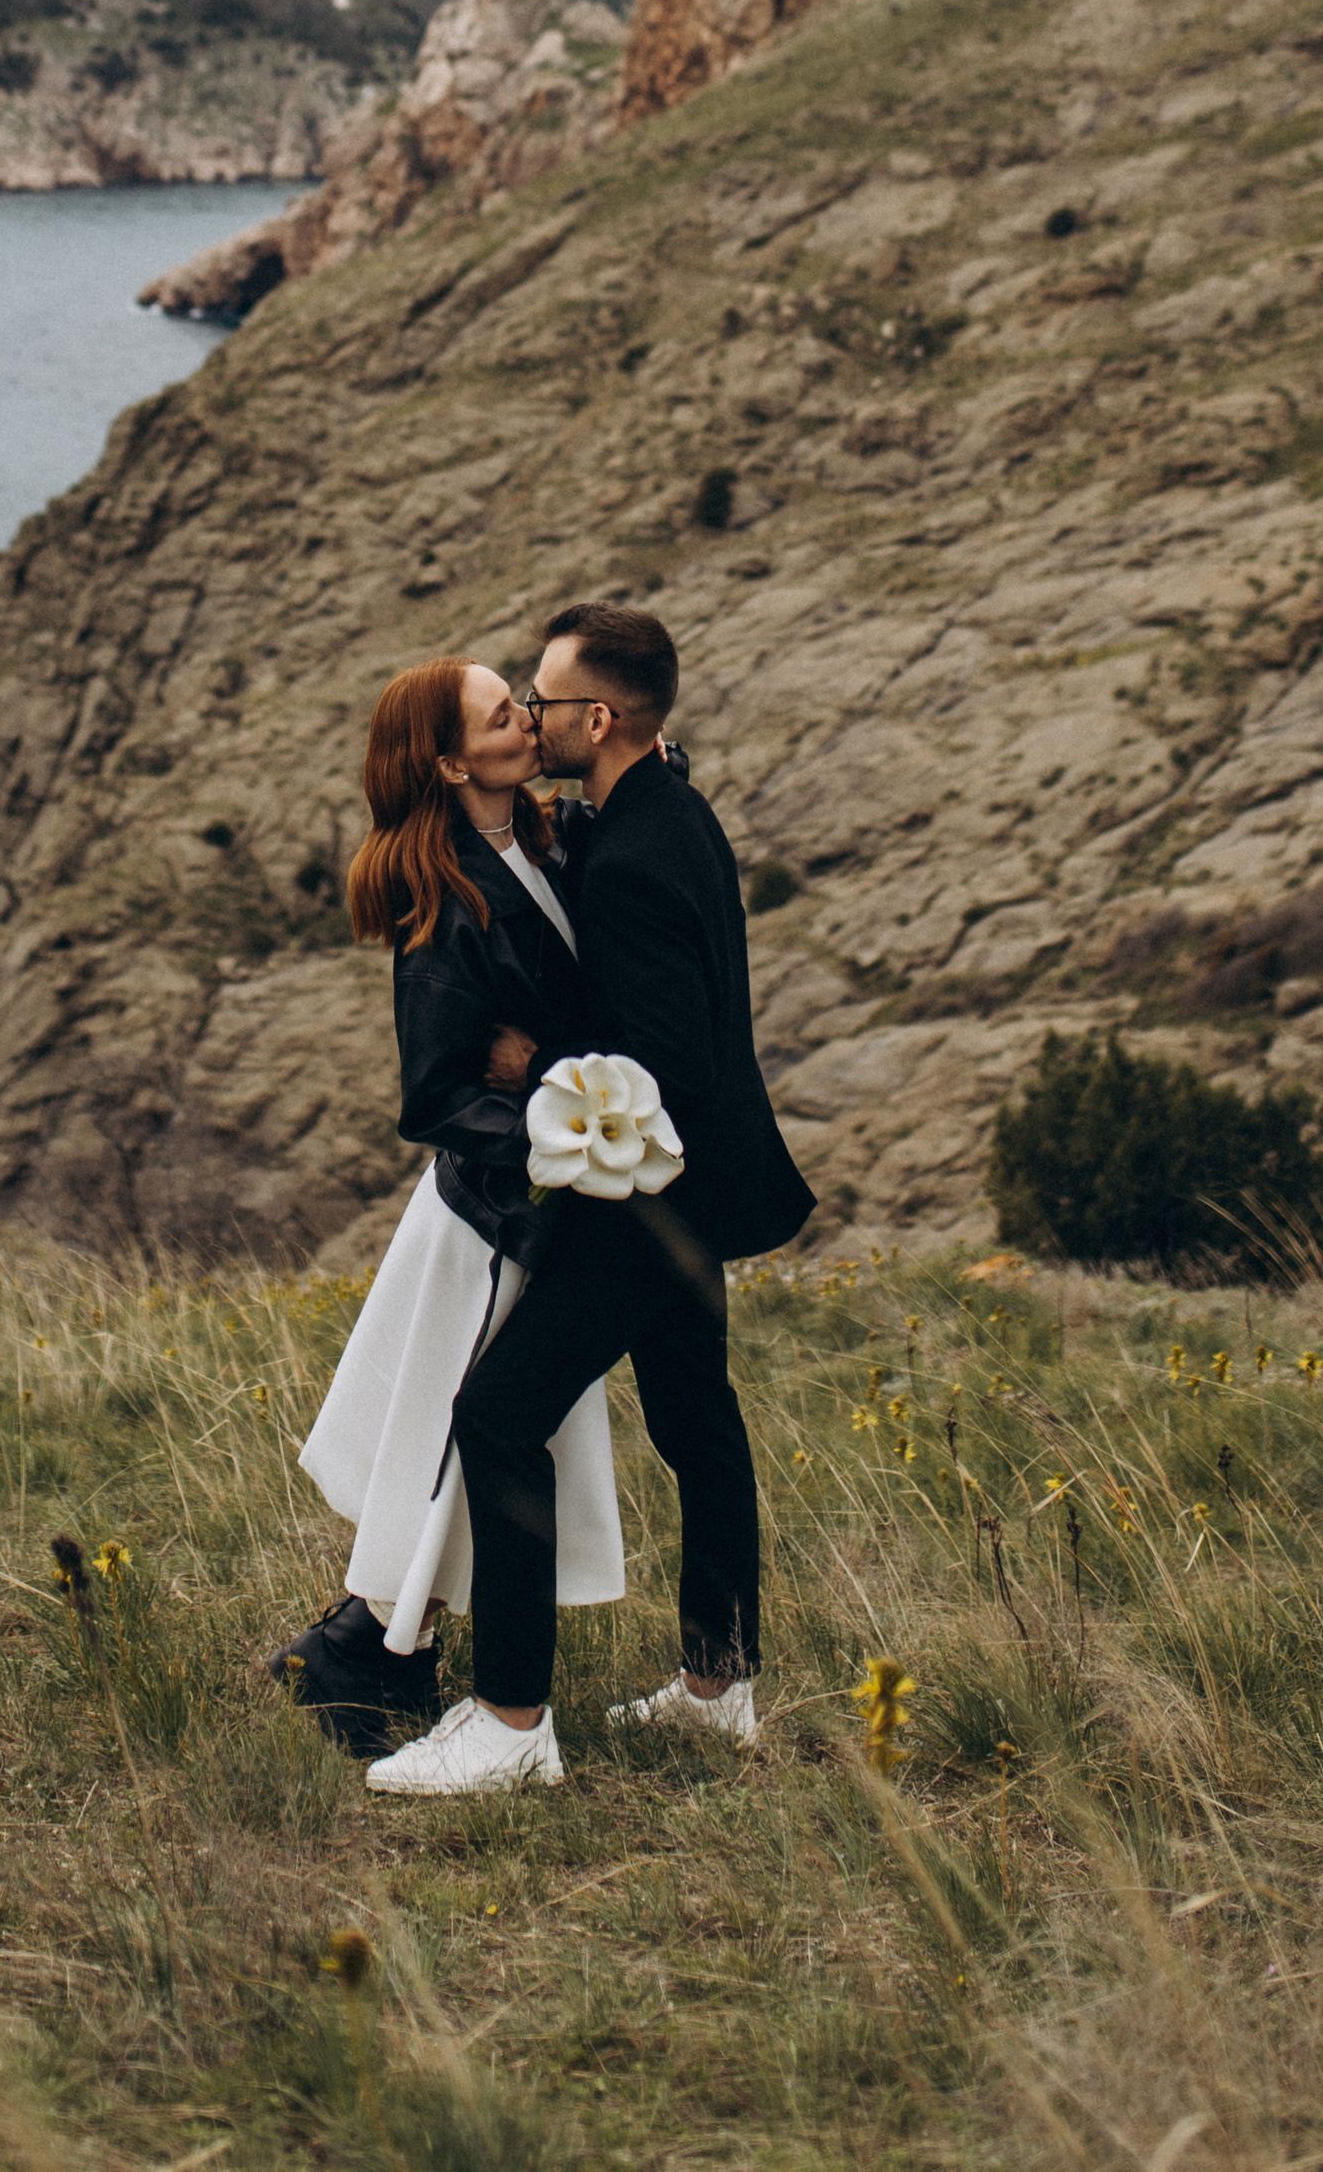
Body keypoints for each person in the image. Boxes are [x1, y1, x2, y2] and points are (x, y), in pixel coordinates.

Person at [366, 602, 815, 1797]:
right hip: (709, 1185)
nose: (531, 708)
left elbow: (651, 1053)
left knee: (501, 1418)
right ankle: (719, 1692)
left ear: (598, 717)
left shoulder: (619, 859)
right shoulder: (665, 806)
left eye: (544, 698)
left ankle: (512, 1725)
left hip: (646, 1199)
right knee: (695, 1421)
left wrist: (543, 1075)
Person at [269, 657, 624, 1757]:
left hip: (533, 1204)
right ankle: (372, 1656)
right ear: (449, 760)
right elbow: (434, 1098)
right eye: (499, 714)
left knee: (459, 1438)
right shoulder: (446, 902)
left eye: (520, 698)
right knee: (449, 1440)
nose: (525, 717)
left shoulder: (546, 839)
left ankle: (376, 1646)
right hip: (492, 1221)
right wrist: (552, 1124)